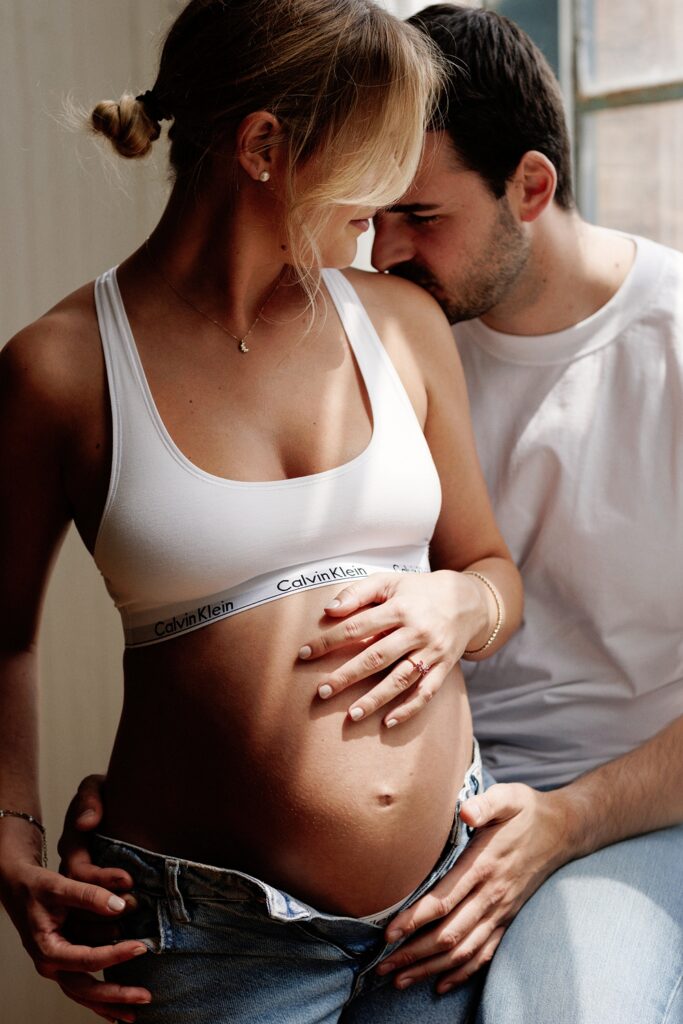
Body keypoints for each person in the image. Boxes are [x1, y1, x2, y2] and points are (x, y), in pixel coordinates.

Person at [0, 2, 524, 1023]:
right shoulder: (57, 371)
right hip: (214, 941)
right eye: (371, 168)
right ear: (263, 147)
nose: (383, 210)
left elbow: (492, 569)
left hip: (440, 910)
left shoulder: (402, 325)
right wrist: (10, 832)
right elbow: (2, 635)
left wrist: (459, 607)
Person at [366, 5, 682, 1023]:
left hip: (632, 805)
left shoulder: (671, 342)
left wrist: (564, 820)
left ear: (530, 186)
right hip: (437, 809)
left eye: (418, 216)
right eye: (373, 215)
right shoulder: (391, 349)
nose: (382, 253)